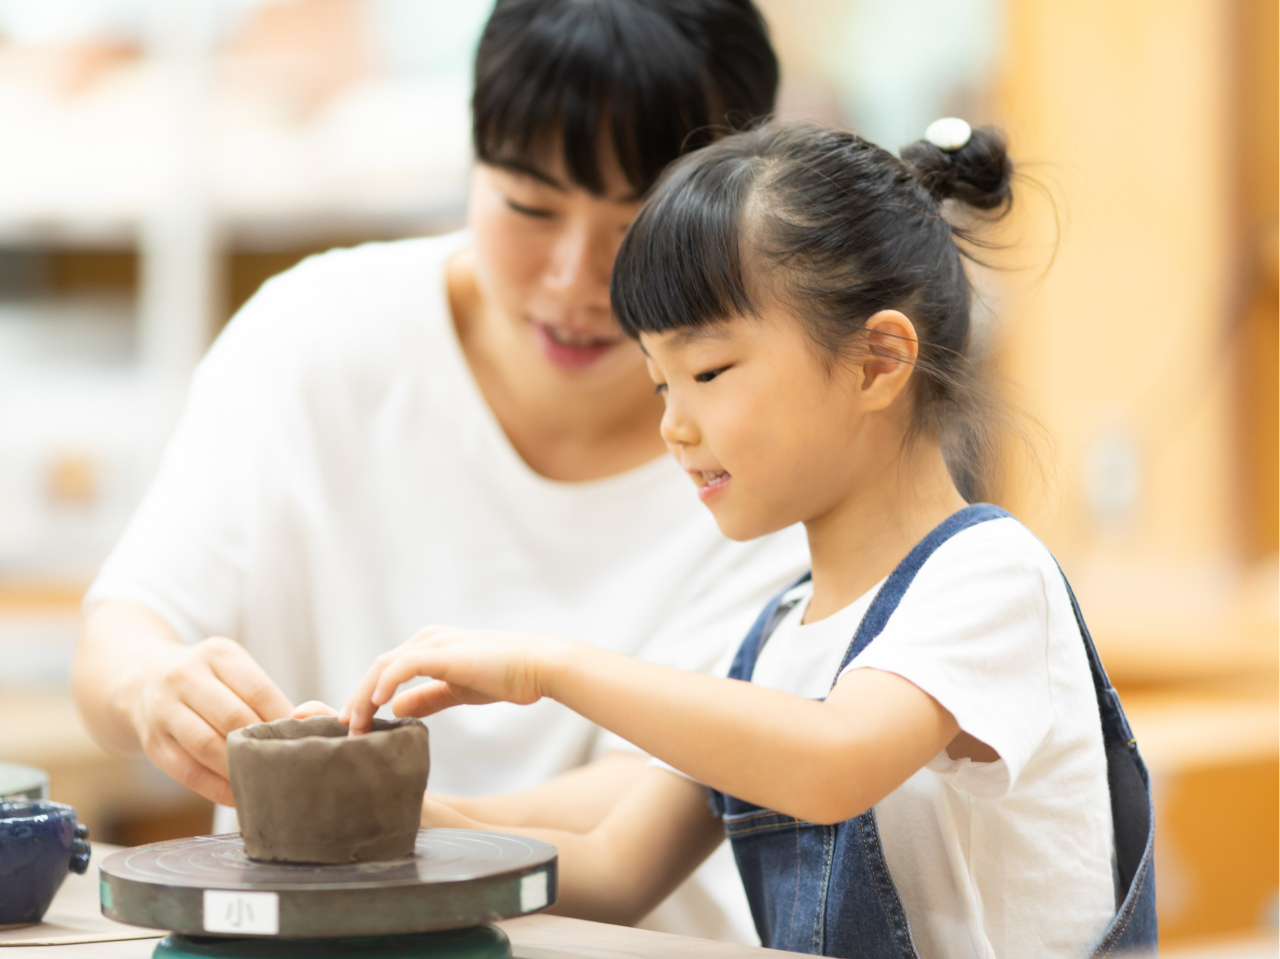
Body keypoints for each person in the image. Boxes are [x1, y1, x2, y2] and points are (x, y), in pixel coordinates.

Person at [72, 0, 808, 941]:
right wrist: (154, 688)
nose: (576, 277)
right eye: (528, 207)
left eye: (640, 227)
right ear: (471, 162)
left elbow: (655, 806)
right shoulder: (314, 336)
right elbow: (123, 635)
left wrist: (359, 812)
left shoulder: (779, 451)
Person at [337, 121, 1158, 958]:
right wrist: (374, 812)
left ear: (878, 361)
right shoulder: (774, 641)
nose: (672, 425)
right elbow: (617, 865)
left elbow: (835, 761)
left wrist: (547, 666)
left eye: (707, 373)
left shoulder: (989, 576)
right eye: (659, 381)